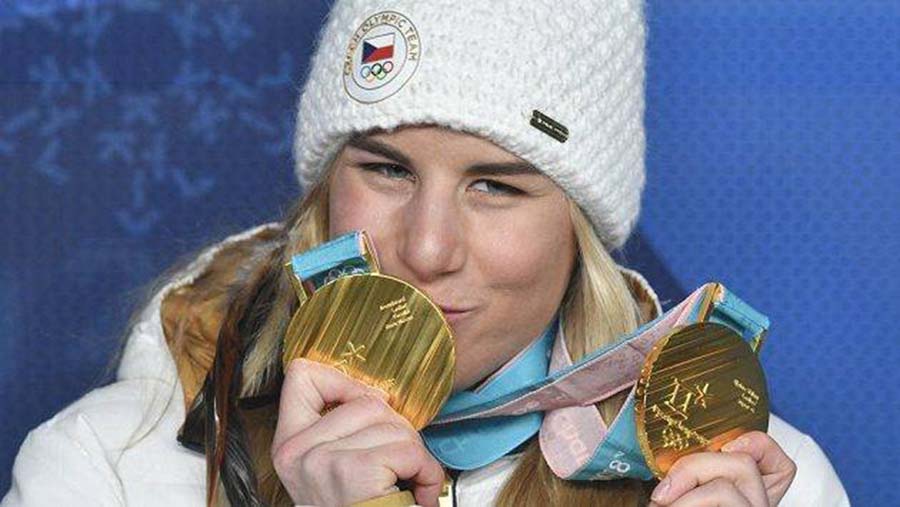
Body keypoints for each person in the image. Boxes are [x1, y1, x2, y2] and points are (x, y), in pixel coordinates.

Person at [2, 1, 850, 506]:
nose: (427, 248)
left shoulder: (762, 481)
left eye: (497, 186)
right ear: (327, 188)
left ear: (577, 228)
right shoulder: (103, 466)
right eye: (385, 169)